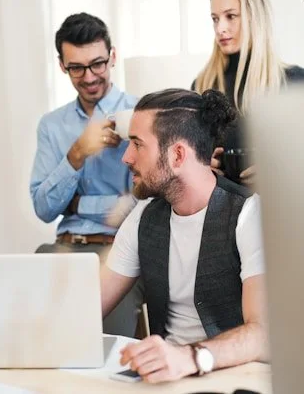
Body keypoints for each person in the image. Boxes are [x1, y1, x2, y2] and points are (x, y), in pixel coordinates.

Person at [101, 88, 268, 383]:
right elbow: (90, 304)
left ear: (178, 155)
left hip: (235, 377)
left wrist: (191, 357)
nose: (126, 157)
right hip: (165, 381)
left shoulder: (249, 215)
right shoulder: (143, 217)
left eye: (137, 144)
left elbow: (262, 332)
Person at [30, 12, 141, 337]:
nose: (90, 76)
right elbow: (43, 207)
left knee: (101, 350)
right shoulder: (52, 125)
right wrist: (77, 153)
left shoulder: (142, 113)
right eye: (77, 67)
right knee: (32, 339)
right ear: (62, 65)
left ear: (113, 57)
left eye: (98, 64)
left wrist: (79, 205)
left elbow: (141, 204)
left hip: (118, 250)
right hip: (63, 248)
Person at [193, 0, 304, 185]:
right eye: (215, 18)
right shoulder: (202, 85)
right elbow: (192, 153)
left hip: (276, 205)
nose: (220, 28)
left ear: (254, 18)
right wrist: (202, 163)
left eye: (231, 16)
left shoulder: (295, 81)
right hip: (220, 207)